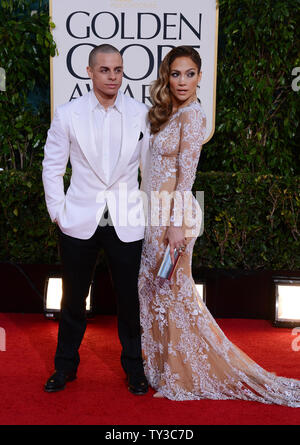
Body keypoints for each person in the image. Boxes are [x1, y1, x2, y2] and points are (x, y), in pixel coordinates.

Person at [138, 45, 300, 406]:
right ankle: (165, 369)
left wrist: (175, 226)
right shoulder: (167, 112)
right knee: (157, 293)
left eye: (190, 73)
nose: (182, 81)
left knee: (173, 295)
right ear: (167, 76)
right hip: (154, 216)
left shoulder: (193, 116)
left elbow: (185, 177)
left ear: (200, 76)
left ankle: (182, 376)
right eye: (176, 73)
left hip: (173, 219)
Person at [42, 44, 149, 395]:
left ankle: (135, 369)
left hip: (126, 220)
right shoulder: (68, 114)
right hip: (79, 219)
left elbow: (150, 171)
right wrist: (59, 212)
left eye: (118, 70)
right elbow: (53, 167)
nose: (113, 77)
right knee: (73, 298)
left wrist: (149, 213)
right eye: (105, 70)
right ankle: (64, 368)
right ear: (89, 72)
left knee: (129, 300)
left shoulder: (140, 114)